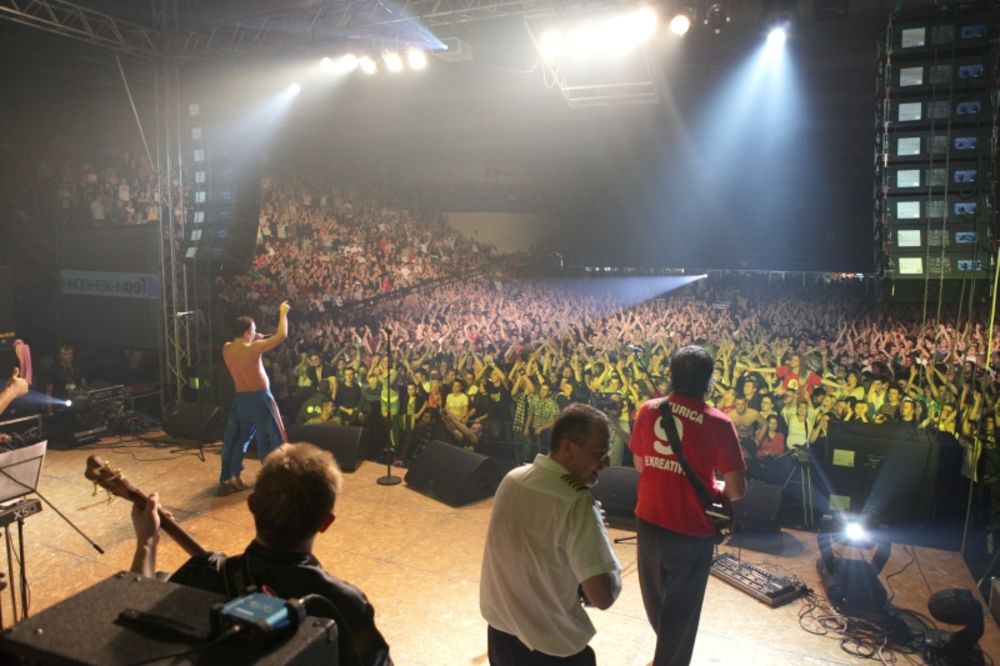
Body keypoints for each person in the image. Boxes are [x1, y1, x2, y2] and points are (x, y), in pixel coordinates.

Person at [130, 443, 392, 666]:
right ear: (326, 522)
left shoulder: (204, 573)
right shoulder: (342, 603)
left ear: (252, 505)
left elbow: (133, 623)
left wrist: (146, 541)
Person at [629, 345, 746, 666]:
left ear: (671, 374)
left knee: (657, 602)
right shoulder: (719, 423)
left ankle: (664, 656)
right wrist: (714, 486)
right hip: (692, 529)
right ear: (709, 381)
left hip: (649, 519)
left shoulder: (648, 409)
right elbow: (736, 490)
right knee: (683, 611)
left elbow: (641, 465)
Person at [480, 403, 621, 665]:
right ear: (567, 448)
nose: (606, 463)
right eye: (599, 453)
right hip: (553, 650)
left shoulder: (512, 478)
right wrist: (598, 536)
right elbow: (603, 596)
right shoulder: (577, 504)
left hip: (500, 639)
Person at [219, 302, 290, 492]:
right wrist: (282, 313)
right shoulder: (254, 348)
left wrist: (253, 337)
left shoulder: (226, 348)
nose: (256, 333)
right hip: (260, 399)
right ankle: (271, 478)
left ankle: (233, 476)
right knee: (267, 437)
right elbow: (282, 335)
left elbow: (242, 343)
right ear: (247, 333)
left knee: (239, 439)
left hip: (241, 400)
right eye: (254, 330)